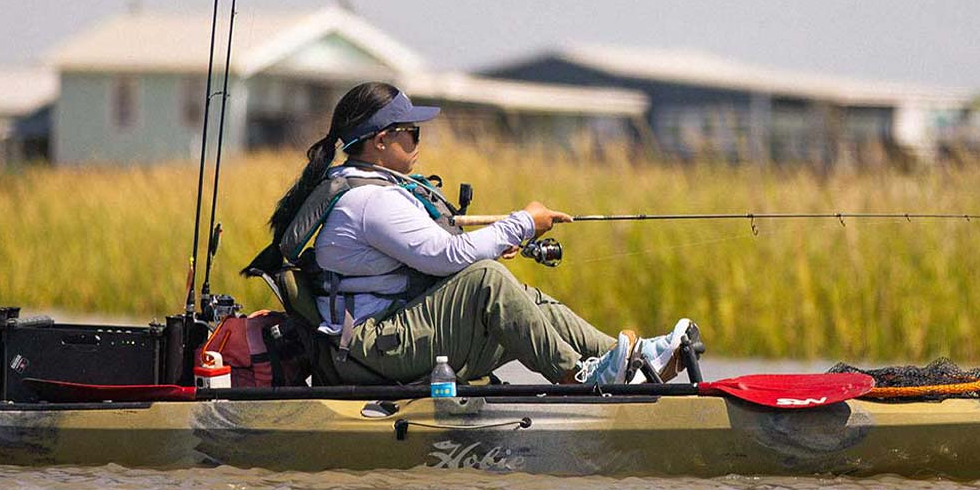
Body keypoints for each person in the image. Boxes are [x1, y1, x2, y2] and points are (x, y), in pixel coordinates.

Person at [252, 82, 699, 386]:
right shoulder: (369, 201)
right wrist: (523, 222)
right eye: (411, 133)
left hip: (392, 336)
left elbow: (434, 255)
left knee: (528, 300)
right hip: (370, 351)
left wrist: (498, 239)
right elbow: (447, 256)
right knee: (487, 281)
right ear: (380, 141)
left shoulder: (375, 190)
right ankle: (578, 378)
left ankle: (634, 360)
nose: (418, 141)